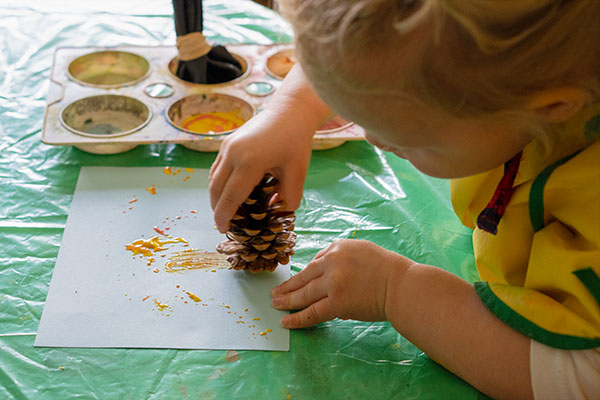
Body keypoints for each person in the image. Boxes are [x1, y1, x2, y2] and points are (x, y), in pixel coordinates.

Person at [208, 1, 600, 399]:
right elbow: (383, 47)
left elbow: (581, 378)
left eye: (410, 140)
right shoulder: (518, 75)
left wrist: (396, 290)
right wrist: (295, 107)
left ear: (551, 108)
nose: (374, 137)